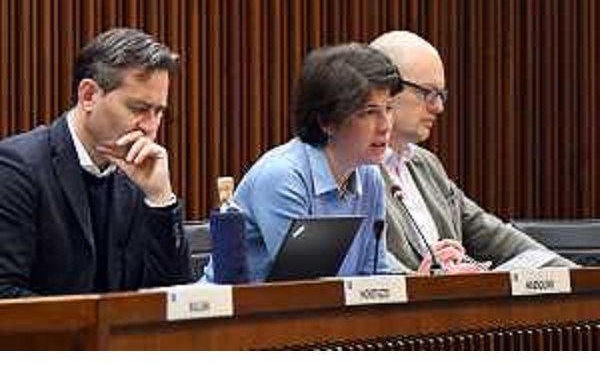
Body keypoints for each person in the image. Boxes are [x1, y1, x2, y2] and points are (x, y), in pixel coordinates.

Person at [0, 27, 192, 298]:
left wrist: (161, 200)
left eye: (158, 112)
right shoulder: (17, 167)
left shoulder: (139, 176)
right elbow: (5, 295)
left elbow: (174, 300)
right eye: (139, 109)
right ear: (88, 95)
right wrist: (91, 322)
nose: (151, 127)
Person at [370, 30, 575, 273]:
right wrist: (427, 283)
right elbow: (365, 261)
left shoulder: (426, 165)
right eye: (428, 93)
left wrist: (578, 276)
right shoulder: (351, 169)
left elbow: (493, 236)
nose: (438, 107)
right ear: (385, 89)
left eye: (441, 95)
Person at [204, 43, 403, 283]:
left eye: (388, 109)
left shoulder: (369, 176)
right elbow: (305, 288)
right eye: (369, 112)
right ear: (326, 122)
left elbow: (375, 273)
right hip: (240, 306)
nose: (385, 126)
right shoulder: (283, 177)